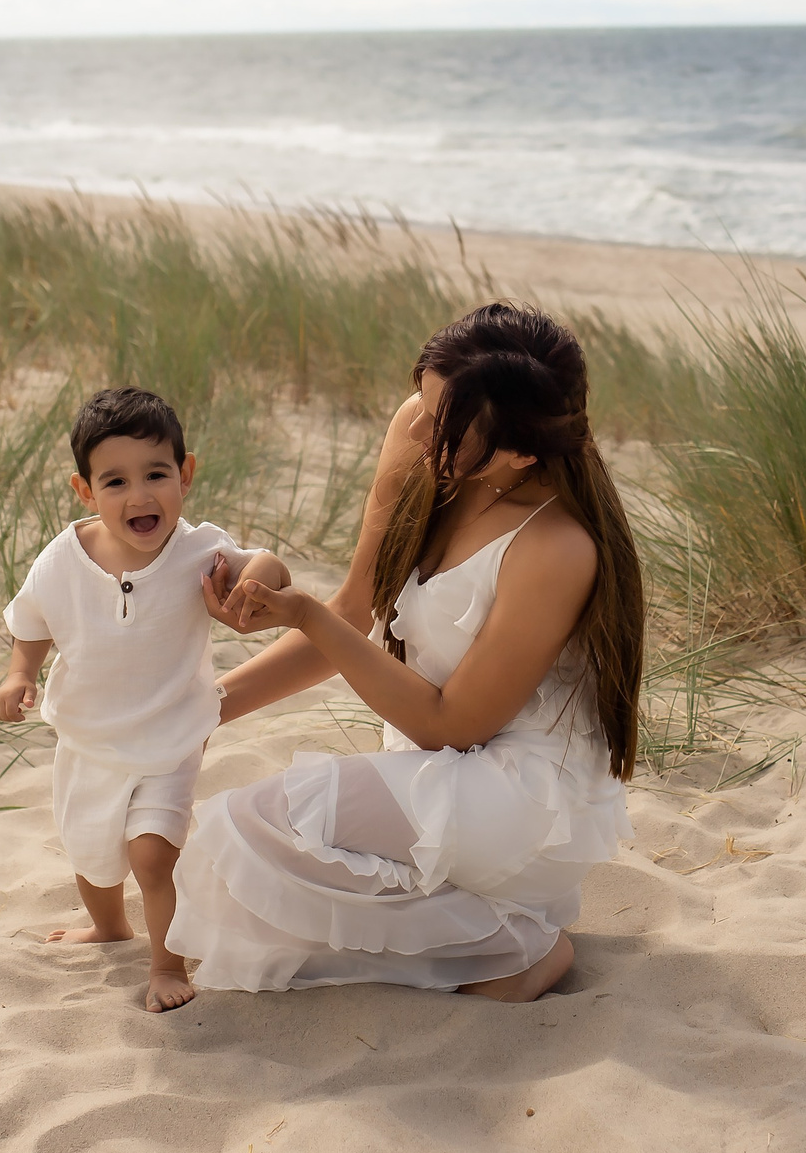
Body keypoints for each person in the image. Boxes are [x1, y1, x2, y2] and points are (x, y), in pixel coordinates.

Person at [169, 303, 644, 1001]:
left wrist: (298, 613)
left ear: (518, 453)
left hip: (518, 794)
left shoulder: (557, 545)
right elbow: (352, 613)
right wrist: (202, 713)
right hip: (433, 766)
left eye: (443, 421)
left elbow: (454, 724)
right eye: (423, 400)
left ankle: (519, 942)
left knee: (244, 830)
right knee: (237, 869)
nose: (417, 426)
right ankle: (490, 940)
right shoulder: (420, 431)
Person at [0, 386, 289, 1012]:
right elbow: (32, 621)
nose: (140, 495)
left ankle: (165, 965)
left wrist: (263, 575)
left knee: (152, 856)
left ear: (185, 473)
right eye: (116, 482)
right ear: (85, 492)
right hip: (88, 738)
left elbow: (266, 563)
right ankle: (107, 925)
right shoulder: (62, 560)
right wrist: (20, 672)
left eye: (156, 474)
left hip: (171, 737)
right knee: (91, 854)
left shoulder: (198, 550)